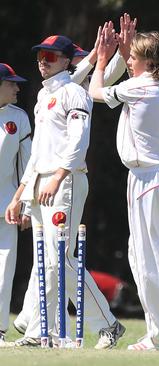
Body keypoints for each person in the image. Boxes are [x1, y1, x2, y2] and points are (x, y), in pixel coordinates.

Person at [12, 18, 131, 340]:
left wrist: (58, 176)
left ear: (66, 60)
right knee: (46, 261)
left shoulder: (74, 94)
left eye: (50, 58)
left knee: (57, 258)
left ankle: (99, 324)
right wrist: (22, 193)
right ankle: (41, 330)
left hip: (65, 180)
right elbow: (37, 151)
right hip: (40, 181)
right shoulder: (45, 94)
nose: (42, 62)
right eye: (40, 57)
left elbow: (79, 143)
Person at [89, 28, 159, 351]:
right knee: (144, 251)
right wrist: (127, 49)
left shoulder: (138, 88)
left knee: (144, 257)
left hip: (146, 178)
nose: (129, 62)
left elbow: (95, 92)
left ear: (148, 60)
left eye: (133, 57)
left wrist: (102, 61)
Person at [0, 64, 31, 347]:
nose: (17, 88)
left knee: (4, 269)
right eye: (11, 83)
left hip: (6, 206)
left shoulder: (18, 118)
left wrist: (26, 205)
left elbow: (28, 165)